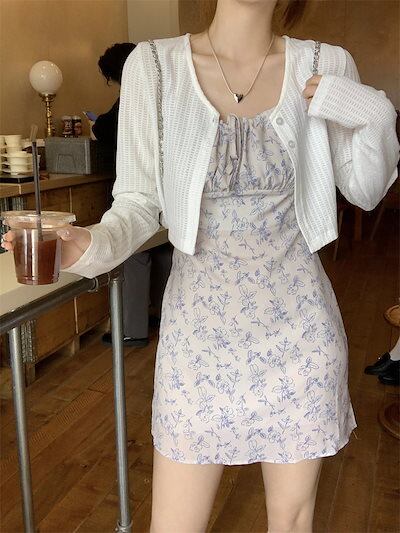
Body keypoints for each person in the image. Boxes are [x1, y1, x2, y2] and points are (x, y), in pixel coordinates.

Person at [3, 1, 400, 531]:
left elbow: (366, 192)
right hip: (197, 338)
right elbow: (138, 205)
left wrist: (376, 115)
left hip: (300, 334)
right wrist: (89, 245)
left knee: (291, 521)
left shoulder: (325, 64)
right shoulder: (155, 67)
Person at [93, 42, 173, 347]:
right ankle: (164, 316)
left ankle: (132, 329)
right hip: (169, 190)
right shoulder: (167, 91)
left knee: (134, 254)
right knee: (164, 251)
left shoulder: (132, 96)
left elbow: (105, 129)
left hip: (142, 191)